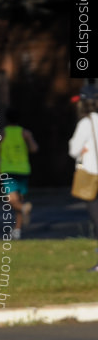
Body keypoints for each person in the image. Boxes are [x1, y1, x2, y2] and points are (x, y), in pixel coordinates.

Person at [0, 109, 38, 240]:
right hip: (23, 169)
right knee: (18, 200)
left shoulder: (2, 134)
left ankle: (20, 219)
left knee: (12, 200)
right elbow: (34, 148)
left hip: (8, 170)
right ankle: (17, 230)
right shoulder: (25, 133)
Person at [69, 85, 98, 270]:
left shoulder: (86, 123)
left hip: (92, 175)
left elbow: (73, 150)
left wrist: (82, 151)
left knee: (97, 218)